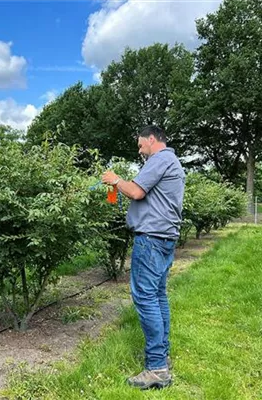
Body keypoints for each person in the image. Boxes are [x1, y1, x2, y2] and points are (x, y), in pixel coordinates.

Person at [102, 125, 185, 390]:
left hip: (151, 239)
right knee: (158, 297)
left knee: (145, 298)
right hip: (163, 238)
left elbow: (137, 191)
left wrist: (115, 180)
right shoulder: (171, 161)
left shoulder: (160, 158)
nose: (139, 150)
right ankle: (161, 358)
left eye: (140, 145)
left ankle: (157, 368)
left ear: (151, 139)